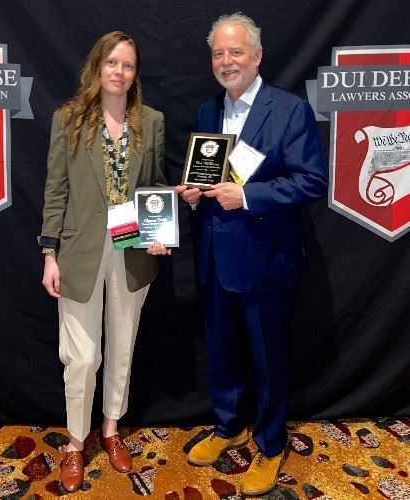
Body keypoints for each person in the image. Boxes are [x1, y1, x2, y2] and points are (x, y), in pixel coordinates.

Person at [176, 13, 327, 496]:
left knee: (267, 357)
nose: (226, 62)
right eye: (218, 53)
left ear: (257, 56)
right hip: (215, 256)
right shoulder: (206, 113)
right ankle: (226, 426)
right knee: (220, 350)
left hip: (266, 259)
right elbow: (208, 174)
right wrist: (194, 192)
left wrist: (247, 196)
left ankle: (269, 442)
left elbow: (312, 181)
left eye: (235, 52)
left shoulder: (289, 110)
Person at [39, 31, 169, 492]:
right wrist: (49, 253)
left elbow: (154, 185)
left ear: (136, 74)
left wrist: (159, 233)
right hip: (79, 251)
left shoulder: (150, 121)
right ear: (97, 67)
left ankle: (111, 430)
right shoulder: (69, 119)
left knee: (122, 348)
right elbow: (56, 190)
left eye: (128, 65)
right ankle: (76, 442)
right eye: (112, 63)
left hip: (131, 251)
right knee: (83, 356)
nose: (120, 72)